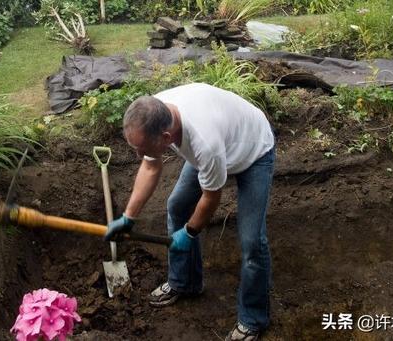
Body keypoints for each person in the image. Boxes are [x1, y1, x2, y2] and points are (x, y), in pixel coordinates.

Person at [104, 83, 276, 341]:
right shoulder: (155, 111)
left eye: (143, 149)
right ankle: (184, 283)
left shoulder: (204, 142)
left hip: (253, 151)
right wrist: (128, 217)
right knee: (177, 206)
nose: (139, 155)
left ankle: (253, 318)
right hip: (221, 140)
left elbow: (211, 196)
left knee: (252, 241)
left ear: (165, 138)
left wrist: (190, 232)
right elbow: (150, 168)